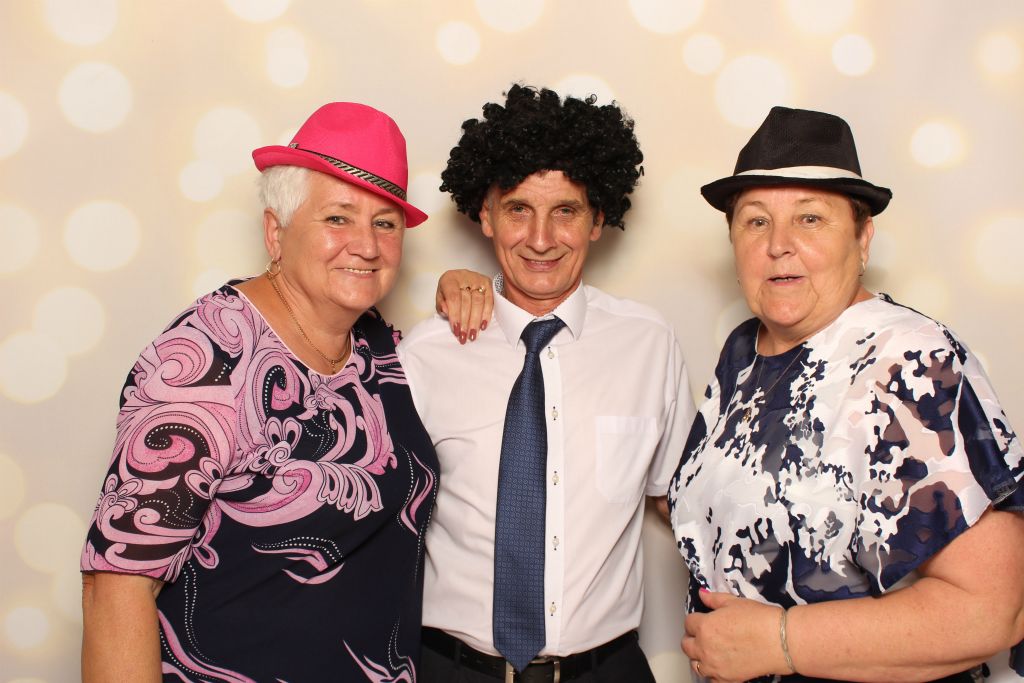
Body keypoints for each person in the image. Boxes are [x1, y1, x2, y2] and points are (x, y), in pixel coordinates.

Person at [80, 102, 439, 682]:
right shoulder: (206, 359)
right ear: (276, 232)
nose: (367, 246)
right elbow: (115, 585)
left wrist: (475, 288)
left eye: (385, 223)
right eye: (338, 218)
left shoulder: (379, 347)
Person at [668, 106, 1024, 683]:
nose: (778, 245)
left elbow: (990, 609)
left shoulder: (907, 363)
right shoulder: (745, 351)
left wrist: (781, 643)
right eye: (756, 222)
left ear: (862, 239)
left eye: (810, 218)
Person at [398, 84, 695, 682]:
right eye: (517, 209)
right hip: (453, 670)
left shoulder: (649, 344)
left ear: (598, 218)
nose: (540, 238)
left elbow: (684, 502)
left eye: (565, 211)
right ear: (485, 215)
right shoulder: (424, 354)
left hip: (606, 671)